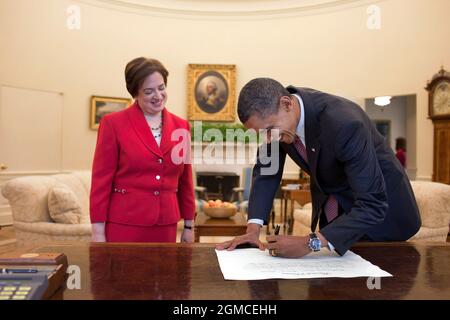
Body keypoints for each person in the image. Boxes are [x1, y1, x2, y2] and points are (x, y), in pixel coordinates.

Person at [217, 78, 421, 257]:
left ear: (286, 104)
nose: (268, 140)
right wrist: (253, 230)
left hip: (384, 219)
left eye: (270, 130)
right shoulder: (279, 121)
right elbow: (267, 172)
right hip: (337, 216)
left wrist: (310, 242)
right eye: (261, 134)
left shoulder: (345, 123)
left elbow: (373, 203)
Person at [90, 57, 195, 243]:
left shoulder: (181, 126)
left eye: (161, 88)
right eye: (149, 91)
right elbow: (101, 181)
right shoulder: (113, 124)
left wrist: (189, 226)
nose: (158, 95)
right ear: (135, 94)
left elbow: (185, 181)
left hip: (166, 225)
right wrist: (98, 232)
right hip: (125, 223)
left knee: (165, 273)